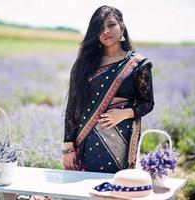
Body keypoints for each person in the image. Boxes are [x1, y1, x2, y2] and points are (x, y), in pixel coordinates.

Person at [63, 5, 154, 173]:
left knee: (116, 190)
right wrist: (68, 147)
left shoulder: (137, 64)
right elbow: (72, 106)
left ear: (122, 26)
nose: (106, 31)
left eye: (111, 24)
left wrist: (124, 113)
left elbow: (147, 103)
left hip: (120, 140)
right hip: (85, 139)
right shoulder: (85, 64)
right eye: (100, 28)